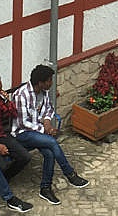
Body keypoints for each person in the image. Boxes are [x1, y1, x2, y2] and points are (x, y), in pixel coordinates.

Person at [12, 64, 89, 205]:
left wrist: (47, 123)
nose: (51, 83)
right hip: (22, 134)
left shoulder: (43, 92)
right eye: (49, 80)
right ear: (40, 82)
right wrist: (45, 130)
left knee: (49, 152)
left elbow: (49, 109)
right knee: (52, 142)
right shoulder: (21, 95)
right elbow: (23, 123)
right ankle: (70, 174)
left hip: (37, 132)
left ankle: (45, 188)